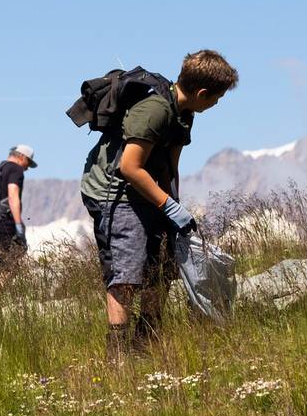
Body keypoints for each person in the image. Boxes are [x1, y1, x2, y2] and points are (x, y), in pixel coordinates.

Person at [80, 50, 239, 362]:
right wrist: (167, 205)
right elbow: (129, 167)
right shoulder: (155, 111)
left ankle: (146, 342)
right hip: (115, 195)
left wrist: (175, 211)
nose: (216, 105)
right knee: (126, 273)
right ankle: (117, 358)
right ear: (202, 93)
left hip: (148, 191)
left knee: (162, 267)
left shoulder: (185, 114)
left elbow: (170, 165)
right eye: (216, 99)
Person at [0, 144, 36, 277]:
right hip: (3, 223)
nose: (27, 168)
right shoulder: (15, 169)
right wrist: (18, 224)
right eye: (28, 162)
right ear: (21, 157)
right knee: (8, 267)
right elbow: (13, 195)